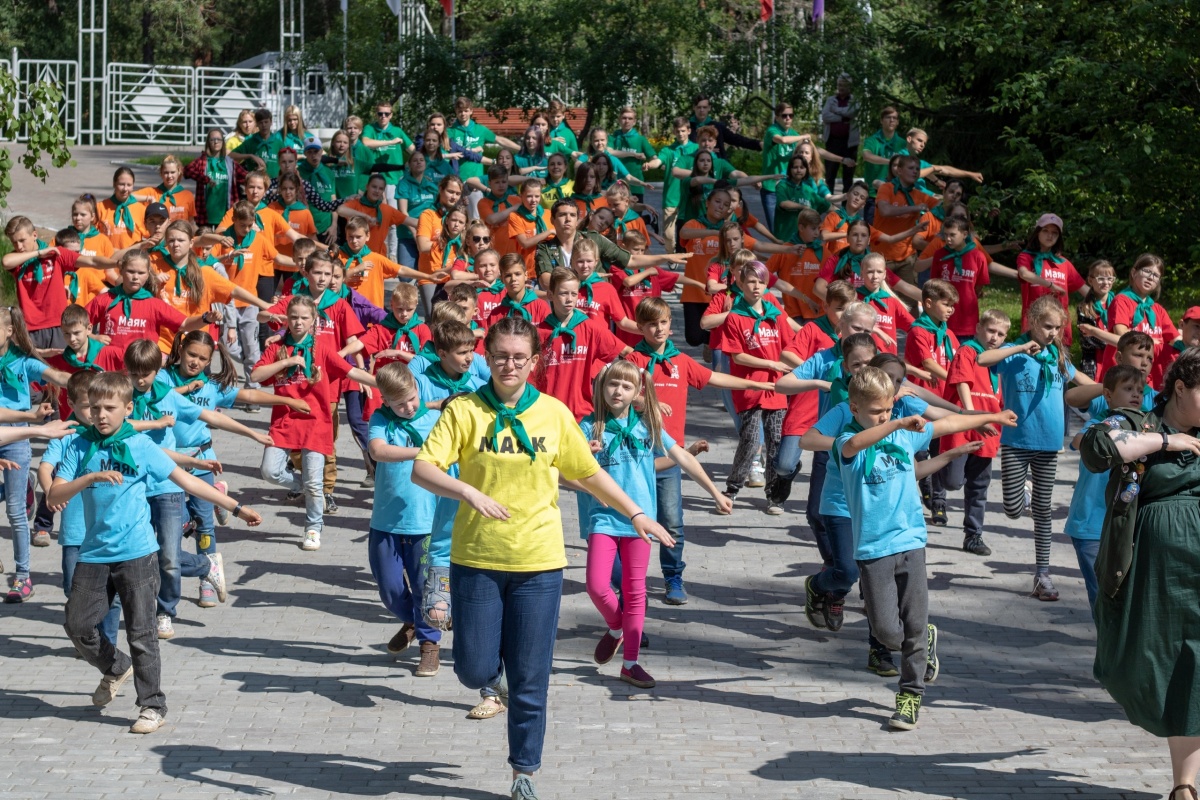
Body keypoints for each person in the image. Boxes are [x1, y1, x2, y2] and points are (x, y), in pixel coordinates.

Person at [412, 316, 671, 800]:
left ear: (534, 362)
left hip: (539, 562)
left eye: (519, 357)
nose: (509, 365)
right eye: (501, 355)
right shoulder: (464, 410)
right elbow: (423, 468)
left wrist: (636, 512)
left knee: (531, 677)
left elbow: (588, 473)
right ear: (487, 356)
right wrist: (467, 490)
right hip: (478, 558)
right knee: (472, 668)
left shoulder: (553, 413)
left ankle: (523, 772)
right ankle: (493, 681)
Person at [52, 371, 262, 735]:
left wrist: (235, 506)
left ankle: (151, 705)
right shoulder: (78, 446)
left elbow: (187, 480)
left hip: (137, 553)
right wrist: (89, 479)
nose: (100, 415)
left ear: (128, 409)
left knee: (141, 632)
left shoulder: (139, 446)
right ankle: (115, 667)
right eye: (95, 408)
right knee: (77, 623)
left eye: (109, 408)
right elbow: (54, 496)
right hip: (94, 553)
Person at [836, 366, 1016, 730]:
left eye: (888, 410)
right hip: (873, 550)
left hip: (912, 542)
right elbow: (856, 444)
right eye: (875, 412)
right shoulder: (846, 442)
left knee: (915, 622)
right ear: (854, 408)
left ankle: (910, 694)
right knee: (886, 632)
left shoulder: (903, 439)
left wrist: (992, 415)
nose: (884, 416)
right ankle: (920, 642)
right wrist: (896, 425)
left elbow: (947, 424)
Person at [1079, 347, 1200, 800]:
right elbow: (1098, 449)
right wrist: (1170, 443)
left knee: (1198, 667)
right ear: (1181, 388)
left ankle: (1184, 785)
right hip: (1155, 571)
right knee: (1160, 661)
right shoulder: (1139, 422)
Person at [580, 359, 730, 688]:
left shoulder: (648, 427)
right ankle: (617, 627)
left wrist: (716, 493)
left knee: (636, 591)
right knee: (596, 584)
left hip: (642, 522)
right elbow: (566, 469)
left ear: (637, 392)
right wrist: (584, 454)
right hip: (604, 517)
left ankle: (630, 663)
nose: (617, 390)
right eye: (612, 384)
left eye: (626, 386)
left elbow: (681, 459)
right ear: (601, 388)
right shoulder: (588, 426)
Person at [252, 294, 378, 551]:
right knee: (269, 471)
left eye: (304, 318)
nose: (298, 322)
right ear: (286, 318)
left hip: (316, 422)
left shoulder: (323, 349)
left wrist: (385, 383)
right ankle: (302, 487)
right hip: (284, 420)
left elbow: (350, 371)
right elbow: (256, 375)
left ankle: (313, 527)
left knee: (314, 480)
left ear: (314, 321)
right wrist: (286, 361)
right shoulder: (277, 347)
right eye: (294, 317)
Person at [993, 295, 1095, 600]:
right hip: (1017, 440)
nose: (1052, 333)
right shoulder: (1015, 353)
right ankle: (1021, 492)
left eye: (1057, 328)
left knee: (1043, 511)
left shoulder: (1058, 356)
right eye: (1047, 326)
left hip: (1049, 443)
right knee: (1012, 510)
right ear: (1032, 322)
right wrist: (1020, 347)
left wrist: (1110, 392)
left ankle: (1042, 574)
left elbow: (1080, 380)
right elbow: (981, 359)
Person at [366, 361, 444, 677]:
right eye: (399, 404)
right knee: (389, 590)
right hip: (386, 519)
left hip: (426, 520)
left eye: (412, 398)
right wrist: (421, 451)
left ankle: (430, 646)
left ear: (416, 387)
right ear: (384, 400)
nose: (409, 407)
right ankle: (413, 619)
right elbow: (378, 451)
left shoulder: (437, 420)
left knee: (426, 587)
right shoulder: (381, 420)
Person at [936, 308, 1011, 556]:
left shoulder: (998, 362)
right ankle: (931, 474)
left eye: (1000, 334)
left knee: (979, 487)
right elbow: (961, 383)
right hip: (963, 428)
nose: (994, 337)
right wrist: (971, 416)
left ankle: (973, 535)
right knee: (953, 482)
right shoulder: (968, 351)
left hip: (987, 434)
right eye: (990, 330)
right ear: (978, 328)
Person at [1015, 212, 1086, 347]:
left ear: (1059, 237)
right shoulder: (1026, 257)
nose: (1050, 235)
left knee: (1060, 366)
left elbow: (1085, 290)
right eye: (1045, 230)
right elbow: (1024, 274)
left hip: (1059, 328)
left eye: (1054, 233)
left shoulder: (1063, 263)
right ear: (1037, 233)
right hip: (1034, 326)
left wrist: (1110, 299)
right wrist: (1050, 285)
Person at [185, 128, 248, 230]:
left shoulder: (230, 163)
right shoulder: (202, 161)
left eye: (218, 139)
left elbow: (246, 177)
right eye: (212, 139)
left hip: (226, 213)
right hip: (205, 215)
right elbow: (187, 171)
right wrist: (205, 179)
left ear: (223, 142)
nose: (216, 142)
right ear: (208, 142)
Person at [859, 107, 904, 224]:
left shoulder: (903, 144)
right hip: (874, 196)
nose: (891, 120)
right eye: (888, 117)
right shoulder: (872, 140)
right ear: (881, 120)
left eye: (894, 118)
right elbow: (867, 155)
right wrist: (891, 162)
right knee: (872, 235)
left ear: (898, 122)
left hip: (897, 195)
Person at [687, 94, 761, 160]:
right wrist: (704, 149)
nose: (702, 110)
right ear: (694, 107)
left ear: (709, 108)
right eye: (699, 107)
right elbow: (680, 147)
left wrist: (758, 144)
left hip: (718, 167)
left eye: (704, 107)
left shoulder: (718, 127)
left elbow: (736, 139)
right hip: (693, 168)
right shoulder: (686, 128)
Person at [821, 74, 859, 193]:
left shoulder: (854, 100)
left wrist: (836, 110)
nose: (841, 87)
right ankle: (828, 204)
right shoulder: (831, 100)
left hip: (850, 143)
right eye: (839, 85)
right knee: (830, 175)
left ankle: (846, 207)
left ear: (850, 86)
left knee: (848, 177)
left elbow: (852, 112)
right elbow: (825, 116)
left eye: (844, 85)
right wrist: (843, 118)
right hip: (832, 142)